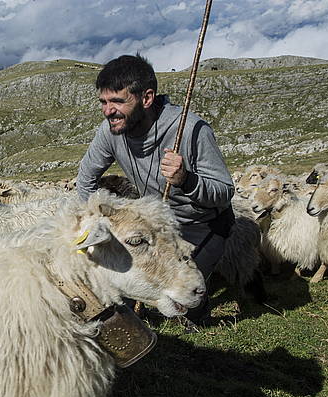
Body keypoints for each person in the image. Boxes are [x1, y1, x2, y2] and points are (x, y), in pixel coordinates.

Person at [76, 53, 235, 328]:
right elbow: (86, 179)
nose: (107, 110)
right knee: (120, 285)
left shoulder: (191, 130)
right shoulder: (110, 131)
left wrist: (187, 179)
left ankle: (201, 315)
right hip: (155, 224)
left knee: (186, 299)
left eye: (117, 101)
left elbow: (224, 191)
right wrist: (88, 224)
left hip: (200, 224)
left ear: (146, 98)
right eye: (103, 102)